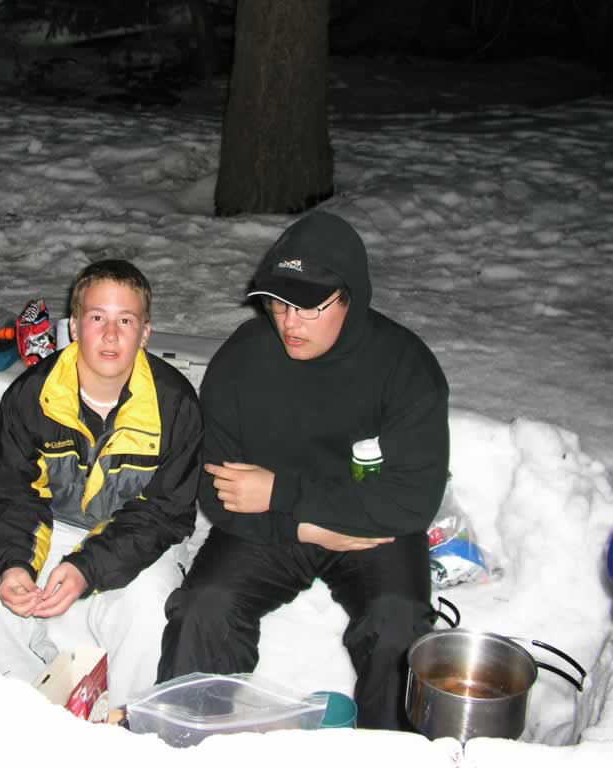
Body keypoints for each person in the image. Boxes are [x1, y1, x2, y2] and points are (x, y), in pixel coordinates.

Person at [156, 211, 450, 730]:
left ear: (350, 297)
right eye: (279, 303)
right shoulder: (242, 361)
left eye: (310, 307)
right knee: (204, 608)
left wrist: (282, 492)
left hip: (366, 526)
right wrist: (303, 526)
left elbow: (411, 501)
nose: (290, 322)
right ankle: (186, 743)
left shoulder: (405, 368)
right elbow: (217, 492)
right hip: (275, 526)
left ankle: (390, 752)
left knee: (398, 626)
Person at [0, 259, 202, 705]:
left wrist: (85, 568)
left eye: (125, 320)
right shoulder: (32, 396)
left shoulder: (174, 404)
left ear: (145, 332)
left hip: (138, 535)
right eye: (97, 318)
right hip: (52, 525)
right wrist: (13, 564)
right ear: (74, 326)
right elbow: (7, 493)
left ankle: (127, 717)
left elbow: (164, 513)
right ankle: (26, 709)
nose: (110, 335)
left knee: (151, 604)